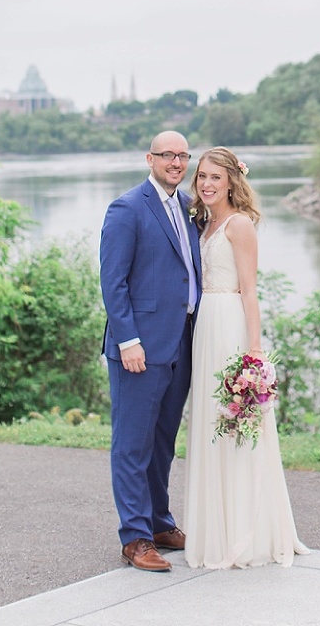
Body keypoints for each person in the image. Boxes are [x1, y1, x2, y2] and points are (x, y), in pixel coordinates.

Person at [182, 147, 308, 568]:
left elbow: (250, 290)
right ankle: (212, 526)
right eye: (202, 176)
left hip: (231, 326)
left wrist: (255, 352)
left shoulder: (239, 225)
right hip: (205, 327)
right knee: (209, 420)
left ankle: (245, 531)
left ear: (233, 181)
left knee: (237, 423)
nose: (207, 184)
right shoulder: (203, 221)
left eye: (216, 177)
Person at [99, 130, 201, 573]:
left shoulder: (184, 206)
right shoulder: (126, 208)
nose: (176, 162)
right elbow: (113, 281)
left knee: (162, 442)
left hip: (181, 342)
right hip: (138, 348)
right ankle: (135, 538)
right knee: (132, 444)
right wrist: (128, 341)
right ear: (150, 158)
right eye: (167, 155)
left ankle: (160, 523)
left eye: (182, 155)